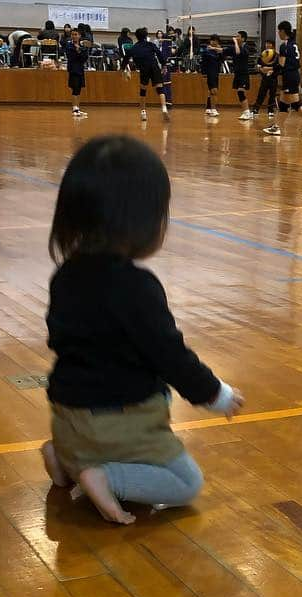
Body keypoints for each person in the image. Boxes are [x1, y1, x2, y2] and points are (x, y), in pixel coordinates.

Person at [42, 136, 243, 525]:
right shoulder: (137, 287)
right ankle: (103, 476)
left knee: (87, 437)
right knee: (186, 484)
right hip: (118, 422)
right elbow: (169, 355)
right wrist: (214, 394)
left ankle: (63, 458)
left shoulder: (64, 275)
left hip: (66, 416)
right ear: (140, 221)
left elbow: (62, 339)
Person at [263, 21, 302, 136]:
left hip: (290, 76)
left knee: (296, 104)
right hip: (293, 75)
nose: (278, 33)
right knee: (283, 104)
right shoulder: (294, 44)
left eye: (279, 31)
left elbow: (282, 65)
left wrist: (270, 70)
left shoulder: (284, 46)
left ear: (283, 31)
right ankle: (276, 127)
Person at [121, 28, 169, 121]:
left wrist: (123, 70)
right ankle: (164, 108)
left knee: (143, 91)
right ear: (146, 36)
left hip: (143, 69)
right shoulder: (151, 45)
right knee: (160, 89)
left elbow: (125, 59)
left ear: (136, 37)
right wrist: (164, 66)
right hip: (154, 67)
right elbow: (159, 55)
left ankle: (143, 113)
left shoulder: (133, 48)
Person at [252, 39, 279, 120]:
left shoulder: (277, 55)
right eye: (266, 43)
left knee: (272, 94)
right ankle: (256, 109)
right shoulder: (263, 54)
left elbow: (279, 67)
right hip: (264, 77)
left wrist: (271, 70)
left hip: (273, 78)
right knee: (261, 93)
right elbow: (258, 64)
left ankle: (270, 110)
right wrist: (261, 69)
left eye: (269, 44)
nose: (267, 45)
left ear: (272, 45)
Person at [66, 28, 90, 117]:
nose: (74, 36)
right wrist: (77, 51)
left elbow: (84, 57)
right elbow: (71, 56)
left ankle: (78, 108)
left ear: (79, 35)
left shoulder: (82, 46)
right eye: (72, 34)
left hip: (80, 69)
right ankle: (74, 108)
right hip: (73, 69)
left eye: (76, 34)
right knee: (75, 88)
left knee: (79, 89)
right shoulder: (69, 45)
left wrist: (79, 50)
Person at [231, 31, 254, 120]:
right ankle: (246, 112)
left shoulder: (246, 47)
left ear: (243, 39)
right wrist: (214, 48)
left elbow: (238, 52)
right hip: (237, 73)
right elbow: (225, 50)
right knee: (239, 92)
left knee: (241, 91)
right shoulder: (236, 47)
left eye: (238, 36)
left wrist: (236, 42)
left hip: (244, 74)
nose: (236, 37)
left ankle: (247, 112)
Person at [202, 35, 224, 116]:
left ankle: (208, 108)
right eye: (212, 40)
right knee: (214, 91)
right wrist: (204, 73)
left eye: (216, 41)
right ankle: (213, 109)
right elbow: (204, 62)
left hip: (216, 73)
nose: (214, 42)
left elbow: (222, 60)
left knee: (212, 91)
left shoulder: (218, 51)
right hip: (209, 73)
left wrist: (219, 51)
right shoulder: (206, 51)